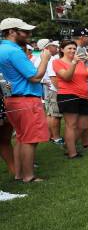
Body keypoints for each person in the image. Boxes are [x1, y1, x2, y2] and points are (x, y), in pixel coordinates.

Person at [0, 18, 52, 182]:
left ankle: (19, 174)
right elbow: (35, 77)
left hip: (13, 99)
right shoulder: (14, 51)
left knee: (22, 138)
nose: (29, 34)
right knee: (30, 139)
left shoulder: (3, 49)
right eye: (25, 31)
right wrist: (45, 59)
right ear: (11, 32)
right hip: (26, 99)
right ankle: (28, 176)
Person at [53, 40, 88, 158]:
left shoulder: (80, 63)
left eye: (73, 48)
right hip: (67, 95)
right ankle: (72, 153)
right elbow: (66, 77)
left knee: (83, 126)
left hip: (83, 95)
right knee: (71, 125)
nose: (72, 50)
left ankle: (68, 145)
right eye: (69, 48)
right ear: (62, 50)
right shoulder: (57, 62)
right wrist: (74, 63)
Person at [33, 39, 62, 144]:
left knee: (50, 113)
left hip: (48, 89)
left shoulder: (40, 58)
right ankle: (56, 137)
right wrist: (59, 89)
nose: (56, 47)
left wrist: (43, 81)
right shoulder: (50, 58)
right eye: (53, 46)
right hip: (52, 89)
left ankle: (51, 135)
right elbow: (51, 76)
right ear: (47, 48)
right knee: (55, 114)